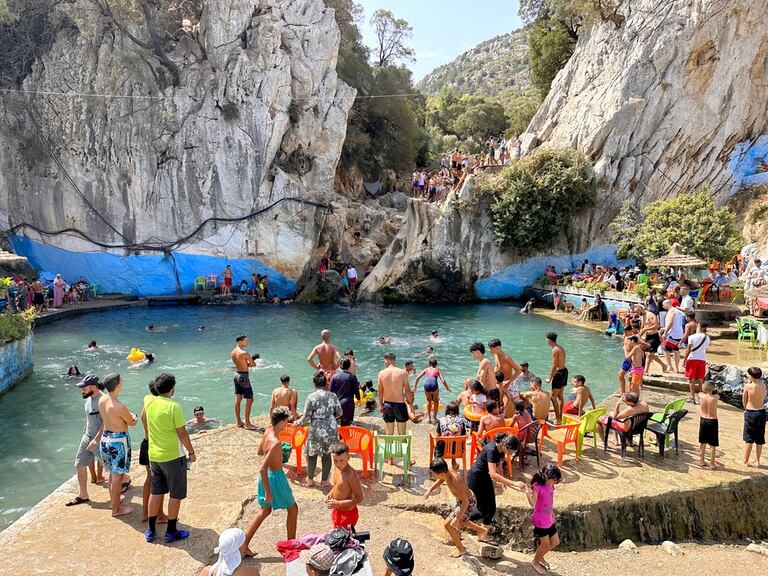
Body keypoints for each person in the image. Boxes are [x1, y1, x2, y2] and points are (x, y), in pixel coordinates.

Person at [144, 372, 196, 543]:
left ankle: (151, 531)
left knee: (156, 491)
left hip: (154, 456)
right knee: (176, 494)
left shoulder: (149, 401)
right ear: (172, 389)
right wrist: (191, 452)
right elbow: (182, 433)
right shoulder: (174, 407)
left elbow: (149, 392)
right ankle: (171, 532)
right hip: (173, 456)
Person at [241, 407, 299, 556]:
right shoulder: (276, 442)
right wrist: (268, 493)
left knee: (264, 511)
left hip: (266, 477)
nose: (287, 424)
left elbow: (260, 451)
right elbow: (262, 468)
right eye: (287, 421)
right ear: (281, 422)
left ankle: (244, 545)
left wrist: (276, 456)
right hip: (275, 478)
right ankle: (290, 546)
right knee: (293, 509)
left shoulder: (267, 431)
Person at [424, 457, 491, 557]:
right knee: (461, 521)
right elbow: (441, 480)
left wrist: (457, 518)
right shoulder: (447, 472)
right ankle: (480, 530)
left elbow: (466, 502)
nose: (432, 475)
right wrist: (430, 490)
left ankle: (461, 549)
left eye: (433, 473)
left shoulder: (455, 482)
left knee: (449, 524)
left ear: (441, 473)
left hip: (467, 502)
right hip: (462, 500)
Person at [466, 433, 526, 530]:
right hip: (475, 478)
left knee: (492, 509)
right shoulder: (492, 450)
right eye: (511, 451)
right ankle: (459, 518)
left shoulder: (501, 449)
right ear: (505, 445)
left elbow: (498, 464)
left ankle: (484, 532)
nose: (511, 454)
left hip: (484, 476)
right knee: (482, 511)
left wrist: (502, 480)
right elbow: (493, 474)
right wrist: (514, 483)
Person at [98, 373, 137, 517]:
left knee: (111, 473)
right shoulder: (120, 406)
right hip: (118, 442)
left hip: (105, 439)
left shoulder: (102, 399)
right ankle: (116, 509)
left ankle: (113, 503)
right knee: (117, 477)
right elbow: (132, 422)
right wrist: (134, 417)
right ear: (118, 385)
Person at [295, 371, 342, 488]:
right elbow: (339, 412)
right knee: (327, 455)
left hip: (316, 429)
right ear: (326, 383)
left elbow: (306, 417)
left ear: (314, 384)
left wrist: (297, 423)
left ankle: (310, 481)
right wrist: (330, 418)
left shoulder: (311, 397)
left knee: (312, 455)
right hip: (331, 429)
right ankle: (325, 481)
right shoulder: (333, 396)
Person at [66, 375, 104, 507]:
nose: (82, 391)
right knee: (79, 463)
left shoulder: (103, 400)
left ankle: (125, 480)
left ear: (93, 387)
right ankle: (83, 495)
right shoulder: (88, 399)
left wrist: (96, 440)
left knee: (112, 468)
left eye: (84, 388)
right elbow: (88, 417)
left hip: (101, 439)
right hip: (87, 437)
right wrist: (85, 432)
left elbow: (106, 422)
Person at [523, 464, 562, 576]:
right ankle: (535, 562)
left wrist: (552, 512)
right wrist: (527, 493)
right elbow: (533, 504)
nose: (555, 482)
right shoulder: (537, 486)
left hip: (548, 518)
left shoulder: (551, 485)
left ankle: (539, 556)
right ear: (547, 477)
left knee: (555, 542)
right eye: (554, 480)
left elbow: (549, 499)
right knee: (545, 544)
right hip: (540, 521)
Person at [139, 380, 168, 524]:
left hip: (145, 444)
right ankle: (159, 515)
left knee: (149, 479)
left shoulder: (146, 405)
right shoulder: (156, 407)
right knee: (159, 481)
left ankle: (145, 512)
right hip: (154, 446)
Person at [325, 442, 363, 530]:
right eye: (335, 460)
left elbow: (359, 498)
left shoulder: (351, 475)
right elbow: (337, 485)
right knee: (337, 534)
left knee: (344, 537)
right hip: (337, 510)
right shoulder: (336, 468)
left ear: (348, 458)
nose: (338, 464)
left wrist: (338, 503)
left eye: (341, 460)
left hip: (347, 515)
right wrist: (330, 493)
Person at [377, 352, 411, 435]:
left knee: (389, 434)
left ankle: (389, 443)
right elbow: (407, 391)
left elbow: (380, 392)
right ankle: (402, 443)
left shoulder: (381, 373)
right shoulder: (403, 373)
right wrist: (411, 405)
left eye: (384, 361)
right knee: (402, 434)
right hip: (400, 405)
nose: (384, 363)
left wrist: (381, 405)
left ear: (387, 360)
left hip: (387, 405)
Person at [231, 334, 258, 430]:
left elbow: (242, 364)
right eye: (245, 341)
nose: (247, 342)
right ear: (240, 341)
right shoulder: (244, 353)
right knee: (250, 399)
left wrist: (248, 363)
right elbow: (253, 365)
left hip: (236, 375)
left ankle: (239, 421)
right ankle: (248, 423)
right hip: (243, 376)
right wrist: (253, 360)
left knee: (238, 398)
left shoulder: (233, 352)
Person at [413, 357, 450, 424]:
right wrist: (447, 388)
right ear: (436, 364)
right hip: (434, 385)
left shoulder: (426, 369)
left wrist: (415, 387)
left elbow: (417, 378)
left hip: (426, 385)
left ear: (429, 364)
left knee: (428, 401)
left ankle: (429, 418)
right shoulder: (437, 370)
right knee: (436, 401)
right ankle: (435, 418)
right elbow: (443, 380)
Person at [742, 366, 766, 467]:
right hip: (761, 412)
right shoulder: (763, 385)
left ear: (751, 376)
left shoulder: (748, 386)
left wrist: (745, 409)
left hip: (750, 412)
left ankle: (745, 461)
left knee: (749, 438)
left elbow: (744, 400)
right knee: (759, 438)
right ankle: (757, 461)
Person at [683, 321, 710, 404]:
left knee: (691, 379)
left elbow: (688, 350)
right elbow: (706, 349)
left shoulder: (692, 337)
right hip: (702, 359)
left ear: (699, 326)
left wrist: (684, 360)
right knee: (700, 379)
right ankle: (700, 397)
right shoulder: (707, 338)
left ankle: (692, 397)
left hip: (692, 359)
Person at [698, 381, 723, 470]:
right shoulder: (716, 397)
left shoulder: (701, 396)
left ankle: (701, 461)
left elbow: (700, 393)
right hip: (713, 421)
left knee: (703, 442)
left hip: (703, 420)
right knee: (713, 444)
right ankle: (712, 463)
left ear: (704, 388)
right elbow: (718, 394)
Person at [330, 359, 360, 426]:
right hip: (349, 403)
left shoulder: (334, 376)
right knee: (347, 423)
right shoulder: (352, 376)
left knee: (337, 423)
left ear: (340, 366)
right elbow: (356, 390)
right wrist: (358, 398)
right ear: (349, 366)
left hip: (338, 403)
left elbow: (330, 392)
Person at [545, 333, 567, 424]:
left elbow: (554, 365)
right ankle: (560, 417)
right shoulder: (561, 348)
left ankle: (558, 419)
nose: (546, 340)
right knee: (560, 396)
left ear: (549, 340)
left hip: (559, 374)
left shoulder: (555, 350)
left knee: (553, 397)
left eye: (546, 339)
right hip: (564, 371)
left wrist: (549, 378)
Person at [661, 300, 686, 373]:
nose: (663, 307)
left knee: (665, 349)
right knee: (676, 351)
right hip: (679, 333)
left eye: (663, 305)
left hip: (673, 334)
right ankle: (677, 369)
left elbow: (670, 323)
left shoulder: (671, 311)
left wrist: (665, 333)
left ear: (667, 304)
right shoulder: (678, 311)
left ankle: (670, 366)